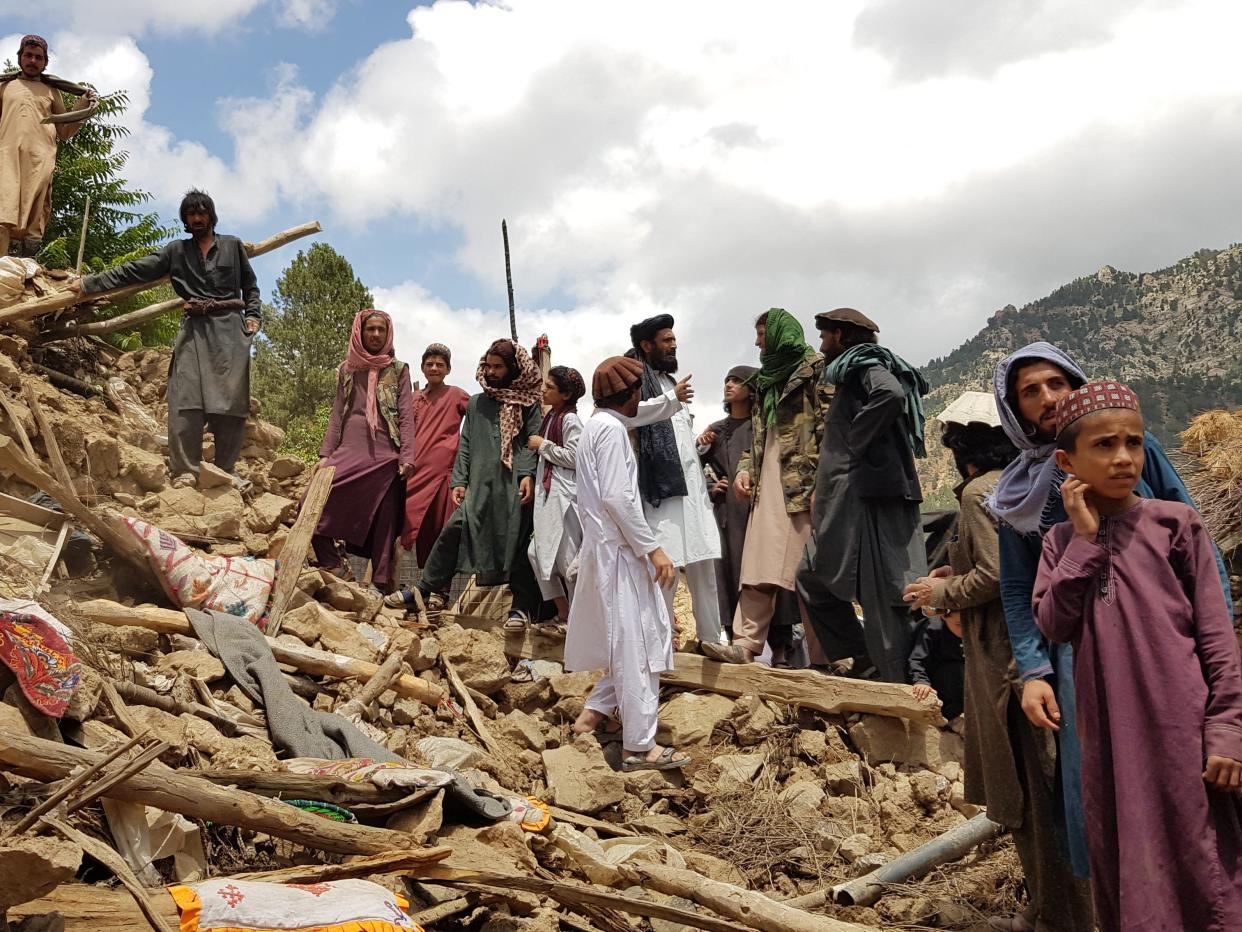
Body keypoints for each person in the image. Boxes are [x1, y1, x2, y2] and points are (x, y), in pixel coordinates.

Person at [989, 342, 1233, 908]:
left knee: (1192, 790)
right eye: (1031, 391)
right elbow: (1020, 591)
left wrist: (1216, 636)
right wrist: (1033, 670)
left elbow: (1200, 556)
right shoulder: (1015, 496)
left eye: (1056, 382)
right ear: (1015, 409)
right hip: (1083, 656)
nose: (1049, 398)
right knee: (1108, 791)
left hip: (1170, 649)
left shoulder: (1143, 466)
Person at [904, 390, 1086, 931]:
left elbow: (993, 577)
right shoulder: (1030, 486)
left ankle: (1056, 915)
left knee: (1032, 796)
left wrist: (941, 594)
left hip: (1007, 667)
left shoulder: (983, 491)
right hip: (1034, 660)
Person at [80, 190, 261, 488]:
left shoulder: (232, 245)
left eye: (202, 212)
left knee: (231, 402)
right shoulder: (175, 251)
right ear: (185, 220)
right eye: (192, 214)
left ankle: (224, 469)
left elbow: (251, 287)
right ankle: (185, 472)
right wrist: (89, 284)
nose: (198, 218)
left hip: (231, 330)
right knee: (185, 398)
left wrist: (253, 317)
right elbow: (134, 270)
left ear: (211, 216)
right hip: (194, 328)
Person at [566, 356, 687, 772]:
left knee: (630, 642)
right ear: (631, 394)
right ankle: (640, 747)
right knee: (639, 646)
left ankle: (590, 720)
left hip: (608, 550)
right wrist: (652, 548)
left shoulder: (596, 428)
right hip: (621, 552)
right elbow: (618, 497)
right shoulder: (613, 431)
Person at [797, 307, 928, 683]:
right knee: (810, 575)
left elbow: (888, 394)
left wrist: (856, 438)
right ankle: (861, 655)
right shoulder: (852, 372)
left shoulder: (863, 363)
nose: (822, 345)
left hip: (868, 499)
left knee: (881, 592)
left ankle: (897, 685)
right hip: (846, 500)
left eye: (825, 337)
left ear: (841, 336)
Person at [701, 309, 832, 667]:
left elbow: (832, 428)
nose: (758, 343)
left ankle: (824, 658)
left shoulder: (817, 371)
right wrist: (746, 469)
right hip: (771, 481)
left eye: (762, 335)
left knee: (810, 573)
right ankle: (745, 645)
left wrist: (827, 481)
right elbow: (758, 439)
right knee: (759, 565)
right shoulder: (766, 383)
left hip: (806, 482)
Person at [397, 339, 542, 623]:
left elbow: (529, 443)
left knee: (518, 540)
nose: (492, 371)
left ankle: (520, 608)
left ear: (512, 368)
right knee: (455, 528)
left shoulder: (529, 402)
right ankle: (424, 589)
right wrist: (459, 480)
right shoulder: (477, 402)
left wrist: (527, 474)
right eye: (488, 365)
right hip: (480, 483)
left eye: (498, 367)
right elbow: (465, 443)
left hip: (513, 486)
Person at [625, 314, 725, 647]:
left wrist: (701, 444)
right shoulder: (635, 379)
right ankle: (661, 648)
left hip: (691, 498)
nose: (673, 345)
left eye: (673, 340)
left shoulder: (669, 383)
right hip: (661, 498)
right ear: (646, 345)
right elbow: (629, 415)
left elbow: (680, 440)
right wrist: (671, 401)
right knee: (664, 573)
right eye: (666, 340)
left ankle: (712, 641)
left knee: (703, 571)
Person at [312, 310, 415, 591]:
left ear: (388, 333)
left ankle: (381, 583)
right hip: (350, 448)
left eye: (381, 330)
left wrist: (407, 455)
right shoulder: (348, 369)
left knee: (385, 516)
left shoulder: (398, 369)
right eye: (371, 329)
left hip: (386, 454)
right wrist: (326, 455)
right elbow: (337, 414)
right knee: (312, 502)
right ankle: (332, 563)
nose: (376, 335)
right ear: (360, 331)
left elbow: (405, 415)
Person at [0, 35, 96, 256]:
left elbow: (64, 131)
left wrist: (84, 103)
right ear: (19, 57)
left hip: (40, 162)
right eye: (28, 56)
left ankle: (27, 267)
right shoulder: (6, 87)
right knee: (3, 212)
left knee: (35, 218)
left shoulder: (52, 92)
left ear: (45, 63)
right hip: (8, 159)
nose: (33, 61)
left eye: (38, 57)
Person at [522, 365, 586, 631]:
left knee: (568, 560)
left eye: (550, 387)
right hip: (549, 497)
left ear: (566, 394)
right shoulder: (551, 419)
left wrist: (543, 446)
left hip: (565, 498)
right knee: (536, 552)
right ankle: (565, 612)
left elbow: (576, 457)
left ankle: (579, 622)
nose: (544, 390)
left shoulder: (570, 421)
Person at [397, 344, 470, 575]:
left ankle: (439, 590)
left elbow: (480, 414)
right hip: (413, 473)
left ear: (448, 369)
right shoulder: (412, 398)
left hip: (443, 474)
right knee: (403, 525)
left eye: (440, 364)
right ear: (422, 368)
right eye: (429, 364)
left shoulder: (457, 394)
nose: (434, 368)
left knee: (441, 529)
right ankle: (388, 581)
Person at [697, 365, 758, 629]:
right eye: (727, 380)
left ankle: (781, 648)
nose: (729, 385)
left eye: (737, 380)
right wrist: (712, 486)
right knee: (728, 571)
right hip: (728, 513)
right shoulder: (717, 430)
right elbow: (692, 467)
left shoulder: (763, 425)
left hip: (758, 507)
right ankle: (732, 635)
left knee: (760, 571)